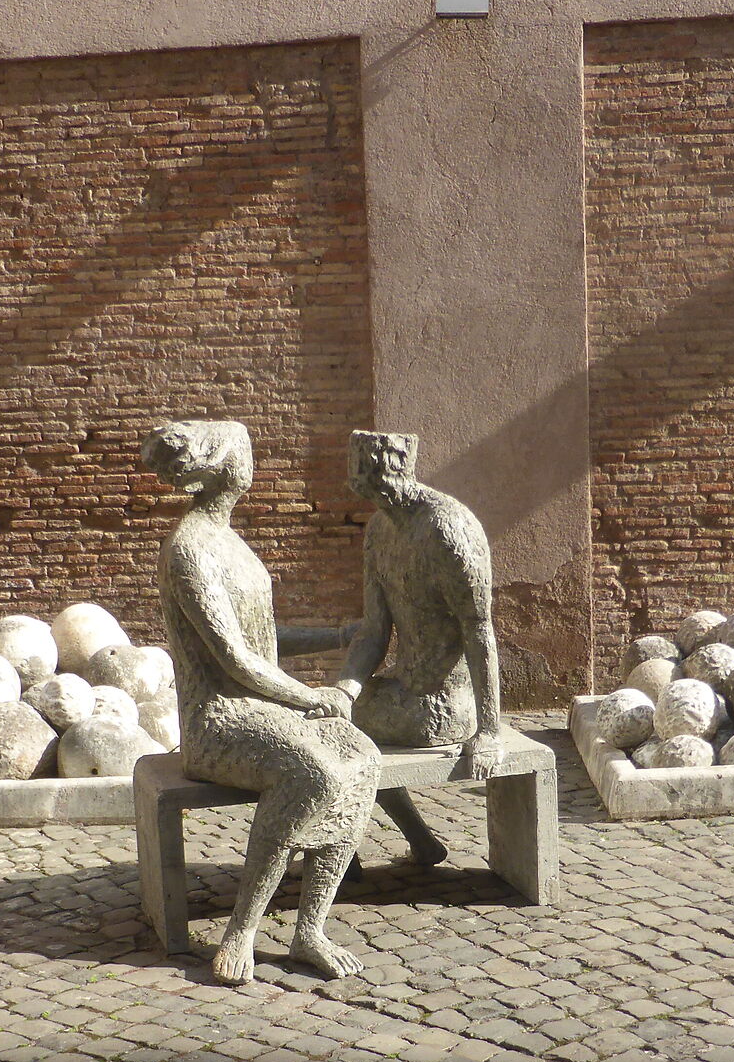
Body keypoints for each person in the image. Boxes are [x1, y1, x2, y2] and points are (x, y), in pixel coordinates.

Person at [148, 419, 379, 984]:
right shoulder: (190, 550)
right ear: (225, 466)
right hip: (218, 720)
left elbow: (266, 644)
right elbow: (235, 661)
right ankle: (242, 931)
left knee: (363, 757)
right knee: (316, 774)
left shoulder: (232, 544)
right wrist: (315, 699)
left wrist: (336, 634)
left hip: (264, 707)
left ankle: (310, 930)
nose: (253, 465)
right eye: (247, 453)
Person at [332, 429, 506, 867]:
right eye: (361, 479)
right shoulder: (379, 528)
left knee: (329, 739)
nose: (369, 487)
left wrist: (489, 732)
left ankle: (340, 856)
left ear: (397, 469)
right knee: (330, 721)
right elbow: (375, 631)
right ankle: (411, 843)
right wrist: (344, 691)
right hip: (399, 688)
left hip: (445, 703)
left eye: (374, 477)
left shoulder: (448, 529)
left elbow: (479, 630)